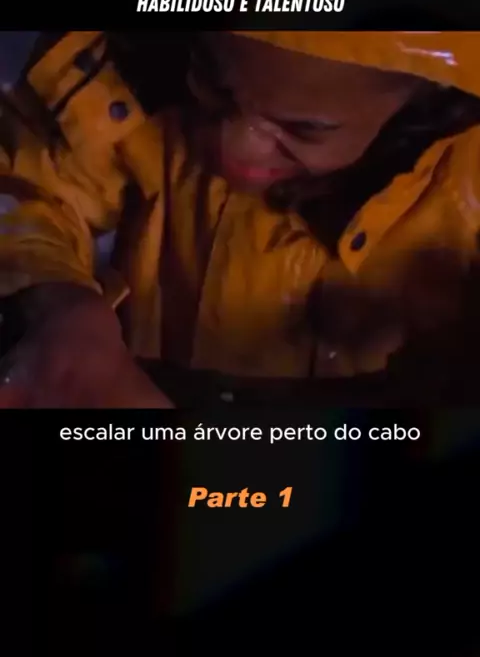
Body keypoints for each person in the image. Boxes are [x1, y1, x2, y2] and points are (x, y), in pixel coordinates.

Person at [1, 30, 480, 407]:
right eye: (214, 83)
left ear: (429, 91)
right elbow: (26, 187)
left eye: (304, 128)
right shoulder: (133, 71)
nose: (233, 150)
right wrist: (58, 303)